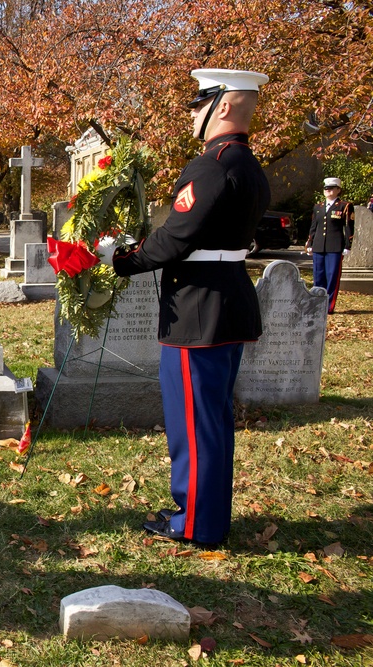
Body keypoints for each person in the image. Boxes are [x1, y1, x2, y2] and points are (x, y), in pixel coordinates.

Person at [100, 69, 271, 546]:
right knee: (212, 422)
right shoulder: (246, 164)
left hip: (199, 313)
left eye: (201, 103)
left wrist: (118, 258)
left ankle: (194, 523)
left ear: (224, 106)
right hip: (228, 303)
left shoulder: (212, 165)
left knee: (194, 425)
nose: (193, 113)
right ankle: (206, 514)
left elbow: (175, 238)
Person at [307, 177, 354, 314]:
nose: (328, 191)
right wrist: (310, 242)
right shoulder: (318, 207)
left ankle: (329, 306)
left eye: (331, 188)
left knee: (332, 276)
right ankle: (317, 304)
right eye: (326, 188)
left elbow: (349, 227)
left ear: (338, 190)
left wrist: (347, 245)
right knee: (318, 276)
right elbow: (313, 226)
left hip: (335, 247)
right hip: (319, 246)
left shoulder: (344, 206)